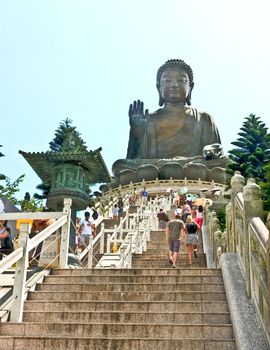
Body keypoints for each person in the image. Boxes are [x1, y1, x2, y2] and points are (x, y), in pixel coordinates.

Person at [112, 59, 227, 180]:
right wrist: (138, 132)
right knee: (119, 165)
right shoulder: (149, 119)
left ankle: (177, 168)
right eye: (167, 80)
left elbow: (217, 153)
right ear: (158, 87)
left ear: (190, 87)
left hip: (194, 166)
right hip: (155, 167)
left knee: (227, 163)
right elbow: (134, 158)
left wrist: (212, 150)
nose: (174, 85)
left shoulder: (203, 118)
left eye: (181, 80)